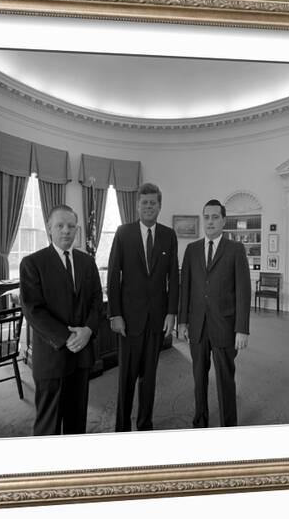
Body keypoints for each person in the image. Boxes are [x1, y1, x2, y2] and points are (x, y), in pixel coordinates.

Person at [19, 205, 102, 436]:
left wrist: (87, 330)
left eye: (71, 226)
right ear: (49, 228)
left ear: (77, 229)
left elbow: (97, 301)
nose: (66, 231)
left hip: (82, 356)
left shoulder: (87, 262)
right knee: (49, 425)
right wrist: (68, 338)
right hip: (51, 358)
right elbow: (33, 310)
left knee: (77, 423)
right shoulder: (32, 263)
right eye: (60, 225)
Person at [107, 183, 179, 431]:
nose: (149, 206)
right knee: (126, 378)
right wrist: (115, 314)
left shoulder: (169, 235)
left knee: (149, 378)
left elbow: (174, 277)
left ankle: (145, 424)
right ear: (137, 205)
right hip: (128, 320)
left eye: (153, 202)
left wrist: (171, 312)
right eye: (144, 202)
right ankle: (122, 428)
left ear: (160, 206)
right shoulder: (123, 232)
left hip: (157, 319)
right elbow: (113, 275)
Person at [178, 199, 251, 428]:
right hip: (197, 326)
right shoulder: (191, 250)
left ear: (223, 220)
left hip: (225, 327)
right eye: (206, 217)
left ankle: (229, 425)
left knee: (225, 379)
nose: (210, 221)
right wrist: (182, 321)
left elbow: (243, 291)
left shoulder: (236, 250)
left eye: (215, 217)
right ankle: (200, 421)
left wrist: (242, 328)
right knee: (199, 378)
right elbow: (185, 288)